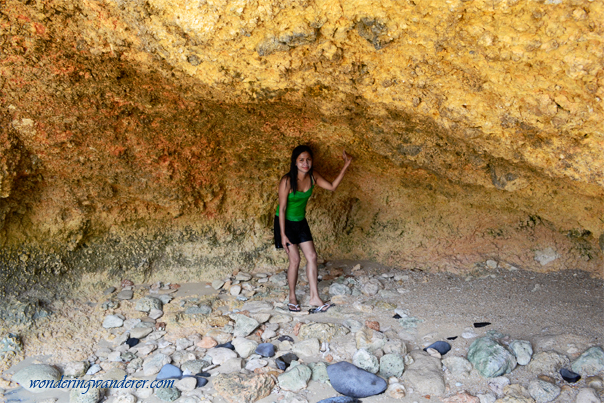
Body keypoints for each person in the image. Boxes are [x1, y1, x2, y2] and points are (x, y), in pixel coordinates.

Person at [275, 145, 352, 313]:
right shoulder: (287, 180)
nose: (305, 163)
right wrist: (282, 235)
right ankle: (292, 297)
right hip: (285, 223)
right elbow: (281, 209)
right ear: (295, 162)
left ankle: (314, 297)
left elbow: (331, 186)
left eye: (308, 160)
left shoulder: (313, 176)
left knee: (312, 256)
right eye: (301, 160)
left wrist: (345, 166)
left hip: (301, 222)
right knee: (295, 260)